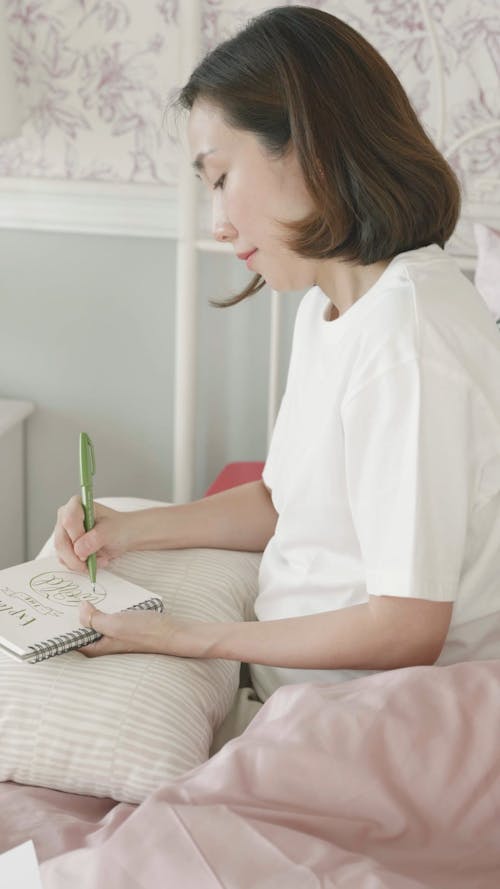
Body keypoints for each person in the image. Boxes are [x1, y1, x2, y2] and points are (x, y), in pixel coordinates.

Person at [54, 6, 500, 704]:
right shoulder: (334, 305)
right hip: (292, 693)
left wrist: (191, 636)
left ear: (312, 149)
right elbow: (283, 498)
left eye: (221, 177)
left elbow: (406, 627)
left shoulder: (409, 344)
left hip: (371, 715)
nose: (218, 222)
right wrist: (129, 528)